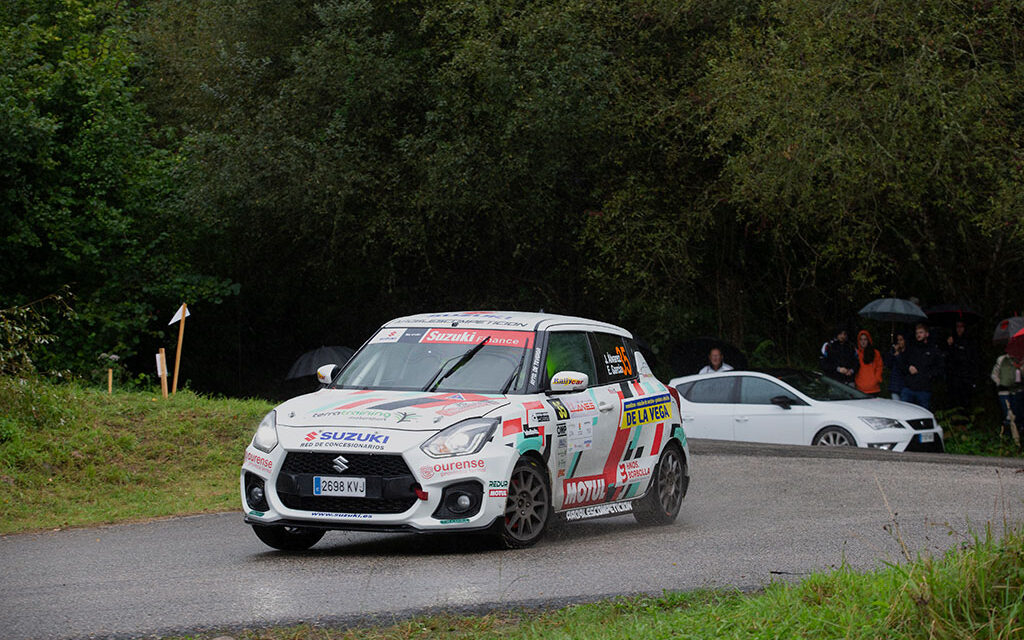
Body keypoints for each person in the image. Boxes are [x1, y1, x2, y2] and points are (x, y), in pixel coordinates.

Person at [900, 323, 944, 409]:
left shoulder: (933, 350)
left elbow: (939, 368)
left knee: (923, 414)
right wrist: (908, 368)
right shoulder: (911, 348)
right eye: (917, 333)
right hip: (909, 387)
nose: (918, 335)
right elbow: (902, 363)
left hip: (924, 389)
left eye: (921, 332)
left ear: (927, 334)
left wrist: (928, 376)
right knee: (904, 412)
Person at [943, 320, 978, 411]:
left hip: (966, 377)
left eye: (961, 327)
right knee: (954, 400)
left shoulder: (969, 341)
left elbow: (972, 359)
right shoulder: (952, 340)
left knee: (966, 401)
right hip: (954, 377)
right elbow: (947, 358)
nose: (959, 329)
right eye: (957, 327)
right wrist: (949, 345)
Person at [990, 353, 1022, 446]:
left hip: (1017, 392)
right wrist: (1000, 383)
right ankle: (1007, 440)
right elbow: (994, 375)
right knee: (1008, 416)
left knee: (1018, 416)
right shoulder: (1002, 359)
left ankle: (1018, 441)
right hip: (1004, 392)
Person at [854, 330, 883, 396]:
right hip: (860, 388)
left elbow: (879, 367)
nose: (863, 342)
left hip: (874, 388)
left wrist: (876, 379)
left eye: (865, 339)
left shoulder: (875, 353)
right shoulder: (856, 353)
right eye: (861, 339)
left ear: (868, 340)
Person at [883, 333, 908, 400]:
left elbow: (904, 367)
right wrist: (892, 353)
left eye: (901, 340)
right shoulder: (893, 352)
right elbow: (888, 364)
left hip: (905, 385)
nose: (899, 342)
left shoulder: (908, 353)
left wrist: (898, 356)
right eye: (898, 340)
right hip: (895, 385)